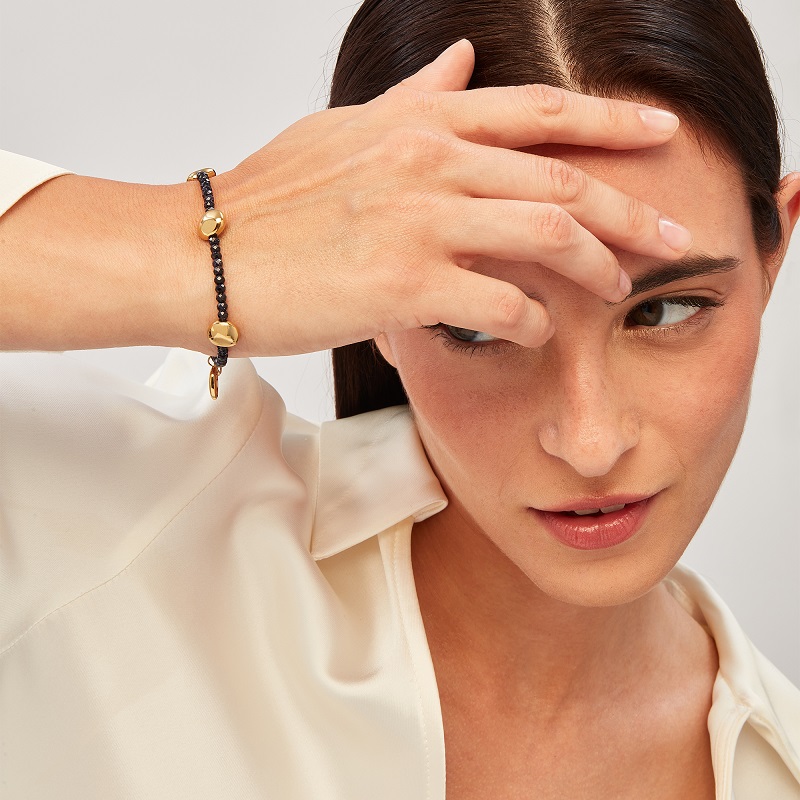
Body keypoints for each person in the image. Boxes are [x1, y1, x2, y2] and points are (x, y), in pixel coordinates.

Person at [1, 0, 799, 798]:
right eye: (480, 324)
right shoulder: (123, 553)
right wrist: (211, 239)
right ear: (373, 300)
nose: (591, 442)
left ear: (776, 252)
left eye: (664, 311)